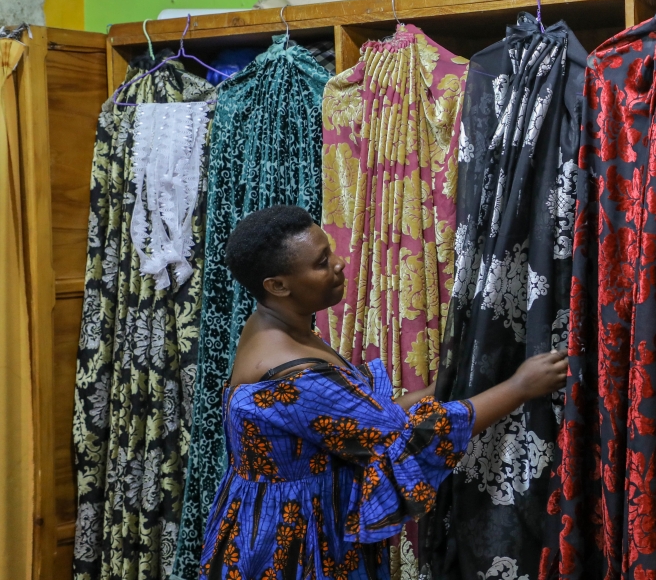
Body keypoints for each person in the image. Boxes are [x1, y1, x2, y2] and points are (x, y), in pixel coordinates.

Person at [196, 205, 567, 580]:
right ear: (277, 285)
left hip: (269, 519)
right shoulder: (295, 373)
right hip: (295, 545)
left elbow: (364, 417)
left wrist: (440, 389)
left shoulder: (269, 325)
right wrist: (520, 387)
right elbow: (411, 440)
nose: (339, 264)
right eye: (322, 262)